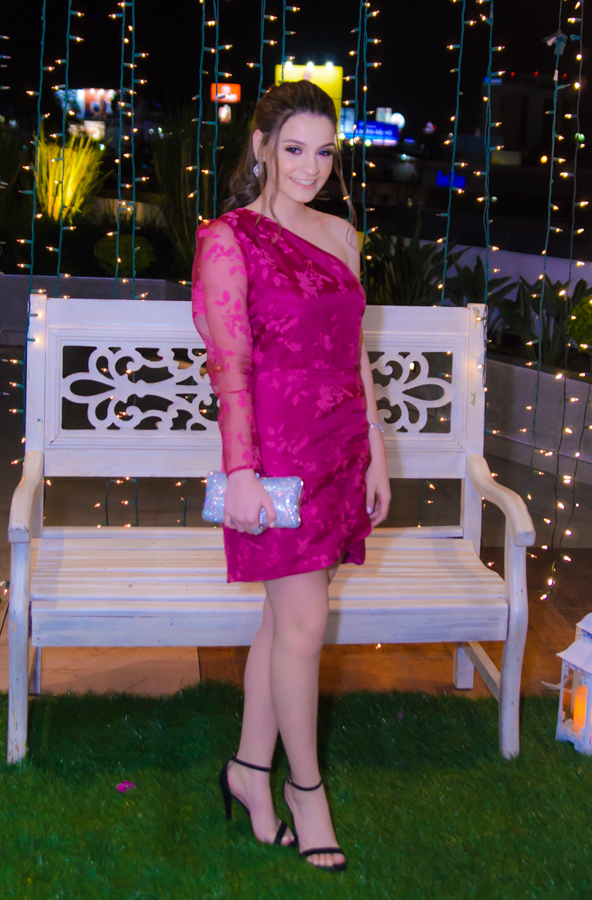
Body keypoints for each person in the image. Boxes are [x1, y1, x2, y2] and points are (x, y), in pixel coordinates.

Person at [191, 79, 391, 872]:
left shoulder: (341, 234)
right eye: (295, 149)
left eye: (325, 152)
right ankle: (307, 792)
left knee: (284, 625)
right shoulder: (228, 239)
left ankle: (249, 770)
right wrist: (241, 471)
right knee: (305, 627)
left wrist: (376, 450)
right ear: (262, 147)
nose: (311, 166)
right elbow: (230, 366)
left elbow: (355, 352)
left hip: (339, 449)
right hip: (275, 454)